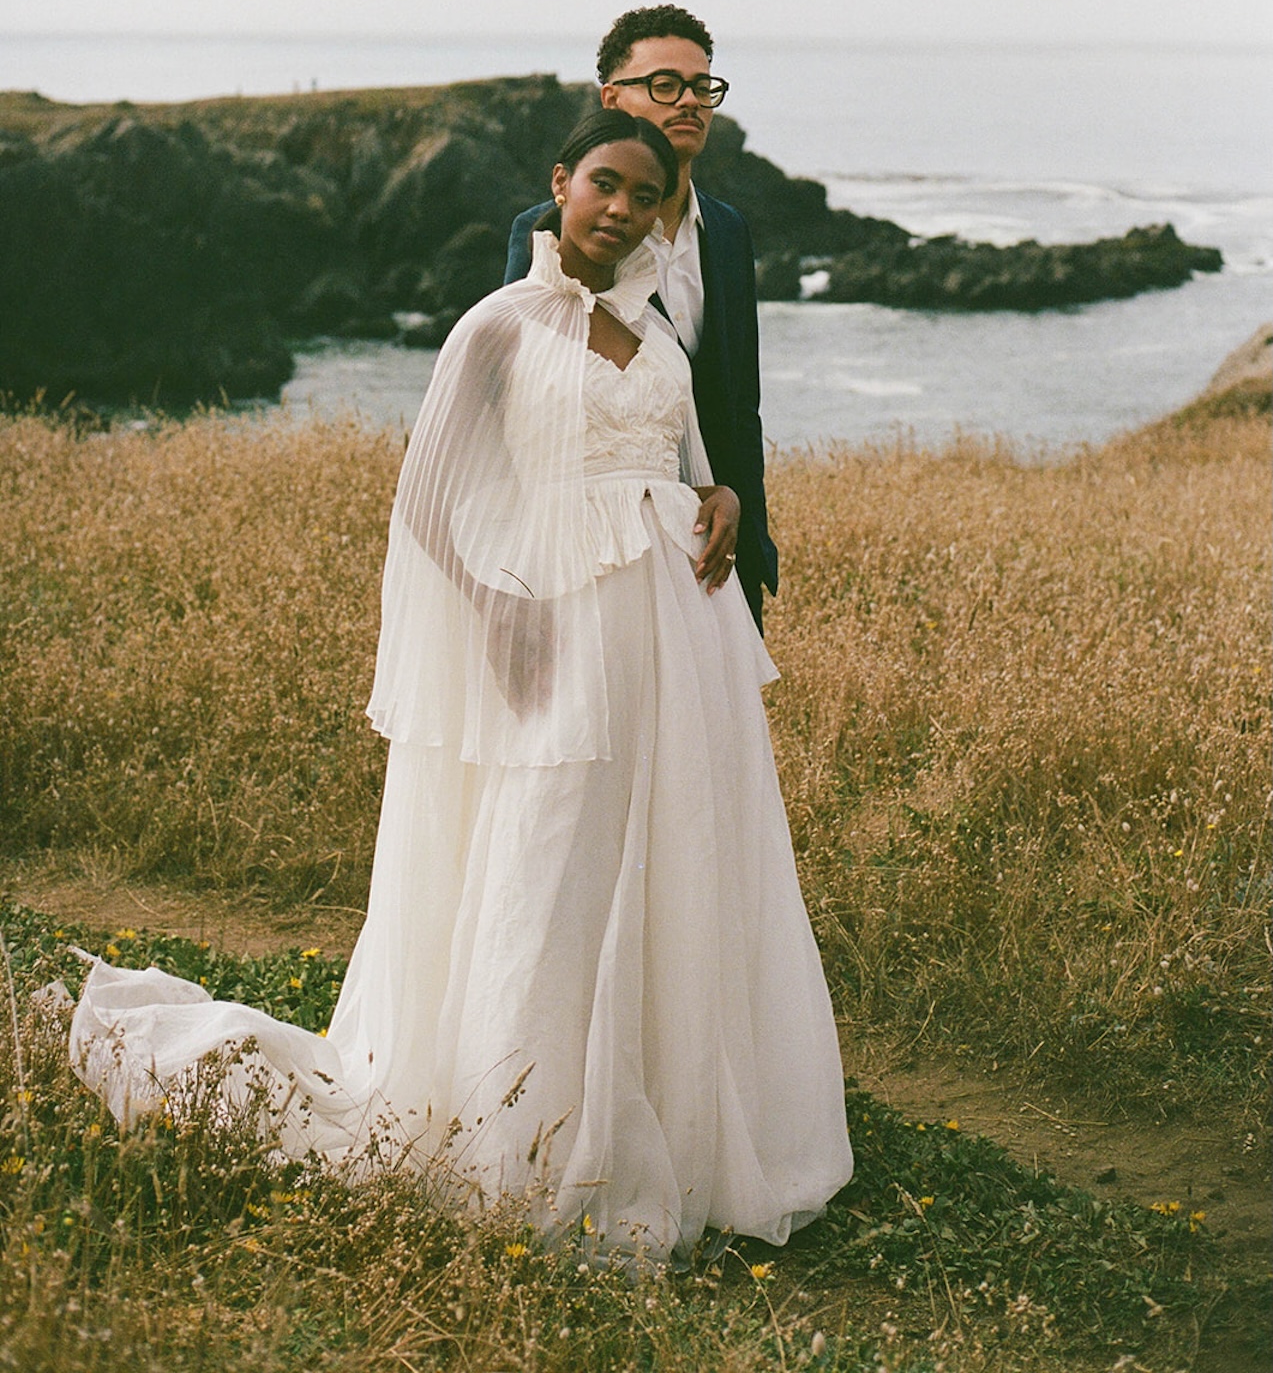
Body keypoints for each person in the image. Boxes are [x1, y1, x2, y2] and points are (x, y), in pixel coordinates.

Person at [70, 109, 852, 1263]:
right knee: (554, 855)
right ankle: (525, 1129)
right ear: (561, 185)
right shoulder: (495, 328)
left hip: (684, 650)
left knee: (686, 856)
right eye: (605, 185)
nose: (624, 211)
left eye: (646, 196)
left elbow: (689, 473)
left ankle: (683, 1120)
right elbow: (429, 507)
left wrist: (725, 497)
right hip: (562, 634)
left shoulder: (661, 333)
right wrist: (504, 624)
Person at [505, 6, 777, 629]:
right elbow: (521, 412)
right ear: (611, 100)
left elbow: (740, 404)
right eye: (663, 85)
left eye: (702, 86)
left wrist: (751, 539)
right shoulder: (544, 235)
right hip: (598, 554)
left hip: (715, 551)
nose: (689, 101)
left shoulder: (729, 231)